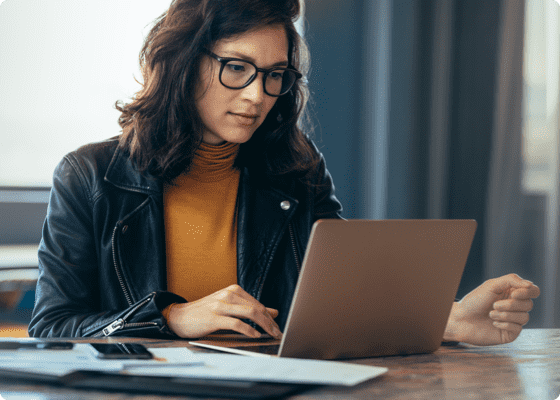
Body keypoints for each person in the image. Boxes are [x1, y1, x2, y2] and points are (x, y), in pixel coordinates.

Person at [28, 0, 540, 346]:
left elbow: (339, 302)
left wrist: (446, 319)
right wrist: (171, 319)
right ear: (182, 63)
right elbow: (52, 328)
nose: (257, 96)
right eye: (236, 67)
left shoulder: (296, 168)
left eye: (275, 75)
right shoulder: (89, 176)